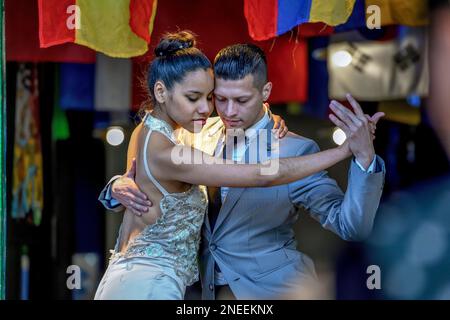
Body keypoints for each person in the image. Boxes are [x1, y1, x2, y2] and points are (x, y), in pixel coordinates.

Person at [98, 34, 385, 300]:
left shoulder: (296, 150)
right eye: (219, 99)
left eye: (241, 100)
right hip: (203, 289)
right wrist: (117, 186)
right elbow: (152, 170)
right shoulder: (195, 131)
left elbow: (351, 226)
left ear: (265, 92)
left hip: (272, 291)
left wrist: (362, 158)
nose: (228, 112)